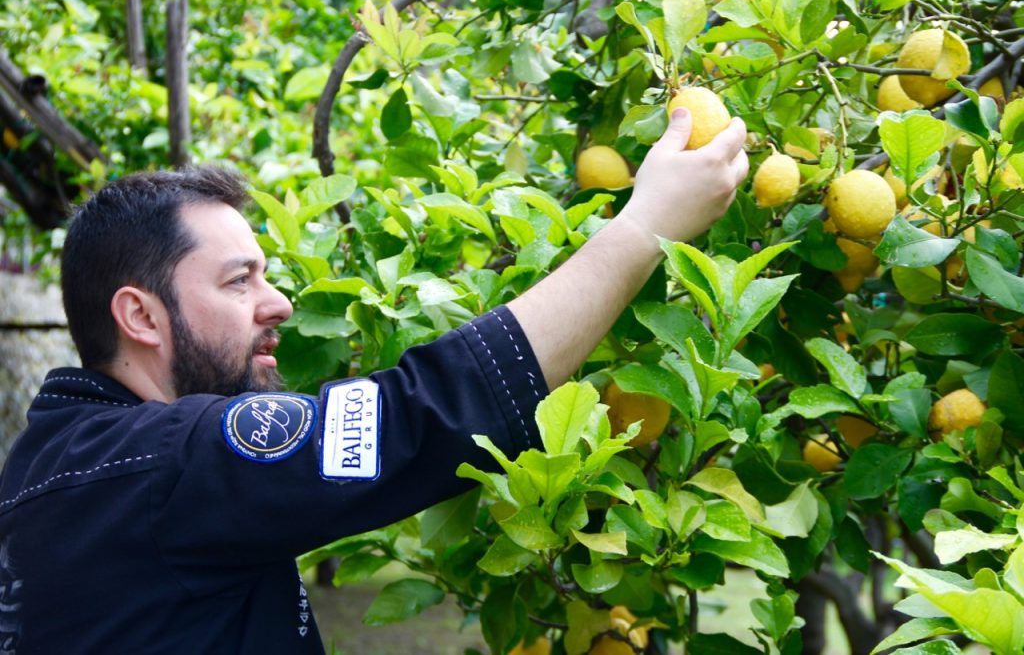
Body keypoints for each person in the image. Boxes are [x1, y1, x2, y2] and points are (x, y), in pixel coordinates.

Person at [0, 108, 747, 653]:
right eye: (238, 281)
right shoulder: (159, 463)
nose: (280, 302)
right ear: (141, 315)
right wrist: (647, 224)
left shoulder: (55, 465)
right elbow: (417, 414)